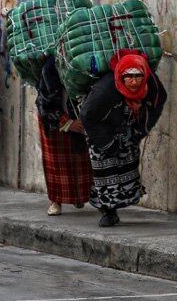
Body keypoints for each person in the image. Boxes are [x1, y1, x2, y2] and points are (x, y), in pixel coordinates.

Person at [80, 50, 167, 227]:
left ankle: (124, 200)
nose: (134, 82)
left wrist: (139, 132)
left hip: (128, 129)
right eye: (129, 77)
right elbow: (88, 116)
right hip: (101, 132)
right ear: (120, 76)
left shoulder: (154, 88)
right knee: (104, 172)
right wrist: (107, 144)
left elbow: (156, 107)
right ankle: (107, 211)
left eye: (138, 76)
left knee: (128, 167)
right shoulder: (104, 91)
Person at [36, 54, 92, 216]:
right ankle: (55, 201)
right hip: (53, 120)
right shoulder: (50, 70)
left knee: (81, 158)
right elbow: (45, 103)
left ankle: (79, 196)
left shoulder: (84, 66)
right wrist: (66, 123)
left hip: (78, 115)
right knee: (56, 163)